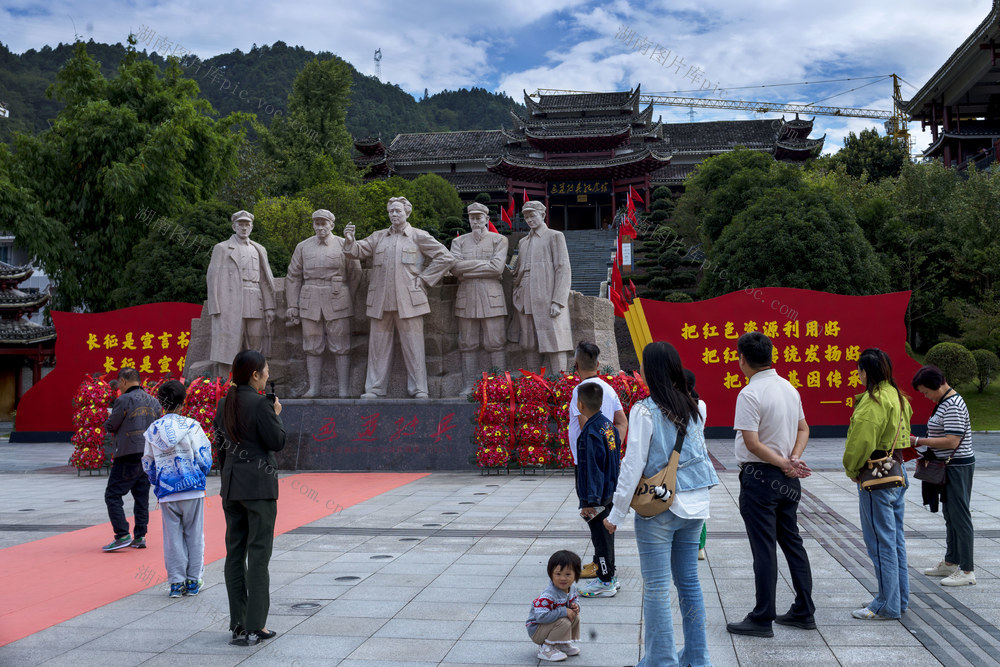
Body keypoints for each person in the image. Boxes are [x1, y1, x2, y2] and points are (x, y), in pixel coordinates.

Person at [604, 341, 718, 667]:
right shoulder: (699, 407)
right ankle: (698, 659)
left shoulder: (644, 411)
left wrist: (616, 514)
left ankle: (663, 662)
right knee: (690, 584)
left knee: (656, 588)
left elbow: (632, 466)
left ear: (649, 372)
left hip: (661, 507)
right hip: (696, 505)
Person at [727, 331, 815, 638]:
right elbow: (804, 428)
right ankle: (804, 610)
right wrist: (793, 458)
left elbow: (751, 443)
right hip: (787, 479)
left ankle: (762, 616)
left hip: (760, 478)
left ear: (743, 359)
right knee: (792, 541)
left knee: (763, 548)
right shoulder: (789, 388)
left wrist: (783, 461)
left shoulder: (749, 394)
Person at [343, 197, 454, 399]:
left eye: (398, 211)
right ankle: (375, 388)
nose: (394, 214)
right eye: (391, 211)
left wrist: (425, 279)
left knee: (414, 347)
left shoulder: (418, 236)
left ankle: (419, 388)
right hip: (380, 299)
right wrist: (350, 240)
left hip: (409, 299)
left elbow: (445, 257)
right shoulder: (378, 237)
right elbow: (356, 251)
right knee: (378, 347)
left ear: (407, 213)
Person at [214, 350, 286, 646]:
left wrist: (228, 476)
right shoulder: (261, 404)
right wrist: (277, 415)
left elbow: (220, 448)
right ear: (254, 374)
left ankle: (239, 624)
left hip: (232, 488)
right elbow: (277, 442)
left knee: (235, 554)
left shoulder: (223, 404)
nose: (267, 376)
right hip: (258, 489)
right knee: (258, 555)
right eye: (266, 372)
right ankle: (256, 624)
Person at [844, 348, 913, 620]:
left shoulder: (873, 402)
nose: (858, 375)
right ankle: (898, 598)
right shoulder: (899, 396)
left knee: (880, 543)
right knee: (895, 540)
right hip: (897, 471)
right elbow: (904, 439)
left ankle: (886, 604)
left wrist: (852, 469)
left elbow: (860, 442)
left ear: (866, 372)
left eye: (859, 370)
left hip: (876, 478)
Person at [142, 380, 213, 597]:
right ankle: (193, 581)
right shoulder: (192, 426)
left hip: (167, 492)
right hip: (192, 489)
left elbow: (148, 463)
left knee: (172, 538)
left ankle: (176, 583)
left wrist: (158, 482)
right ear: (183, 401)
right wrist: (200, 473)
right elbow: (204, 458)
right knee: (194, 535)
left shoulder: (153, 430)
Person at [285, 208, 362, 398]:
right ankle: (314, 388)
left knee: (341, 344)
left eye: (324, 223)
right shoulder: (302, 246)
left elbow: (355, 273)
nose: (320, 227)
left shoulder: (344, 244)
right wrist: (292, 305)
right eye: (317, 223)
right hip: (310, 299)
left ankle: (343, 390)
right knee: (311, 344)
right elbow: (293, 276)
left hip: (338, 298)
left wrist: (347, 295)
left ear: (332, 225)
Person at [910, 365, 976, 586]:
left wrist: (919, 441)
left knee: (960, 516)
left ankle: (967, 570)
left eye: (926, 392)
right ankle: (951, 561)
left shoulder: (953, 405)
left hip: (957, 466)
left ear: (937, 385)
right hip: (949, 466)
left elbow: (952, 441)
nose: (926, 397)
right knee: (950, 514)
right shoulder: (944, 402)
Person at [568, 341, 628, 580]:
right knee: (604, 515)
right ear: (598, 364)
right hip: (607, 464)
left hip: (588, 465)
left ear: (576, 364)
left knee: (594, 514)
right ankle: (602, 563)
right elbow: (622, 422)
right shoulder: (608, 389)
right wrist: (612, 449)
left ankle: (604, 569)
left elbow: (587, 428)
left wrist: (602, 451)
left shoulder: (581, 391)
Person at [206, 210, 277, 375]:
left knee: (255, 345)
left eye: (247, 224)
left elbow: (265, 281)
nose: (244, 228)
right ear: (234, 226)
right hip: (231, 302)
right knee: (230, 345)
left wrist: (269, 307)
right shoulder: (222, 248)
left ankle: (253, 383)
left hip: (255, 299)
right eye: (240, 224)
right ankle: (225, 385)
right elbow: (212, 277)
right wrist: (215, 307)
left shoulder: (259, 249)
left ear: (251, 227)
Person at [102, 367, 162, 552]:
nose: (118, 387)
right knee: (141, 495)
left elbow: (112, 425)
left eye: (119, 383)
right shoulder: (154, 401)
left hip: (127, 453)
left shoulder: (123, 400)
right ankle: (140, 536)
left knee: (112, 494)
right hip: (147, 454)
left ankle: (122, 534)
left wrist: (107, 420)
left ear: (124, 381)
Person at [451, 202, 508, 394]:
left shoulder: (499, 240)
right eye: (472, 217)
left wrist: (467, 268)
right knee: (467, 344)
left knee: (496, 342)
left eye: (479, 217)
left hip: (491, 297)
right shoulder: (458, 242)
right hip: (466, 297)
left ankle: (499, 386)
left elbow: (497, 268)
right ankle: (469, 386)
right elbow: (455, 268)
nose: (475, 221)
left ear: (486, 219)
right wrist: (483, 265)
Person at [511, 200, 572, 374]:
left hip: (546, 294)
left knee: (554, 341)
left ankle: (560, 384)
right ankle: (534, 384)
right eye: (527, 217)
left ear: (543, 215)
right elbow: (518, 269)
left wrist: (558, 301)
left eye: (533, 215)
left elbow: (563, 269)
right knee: (529, 342)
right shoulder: (523, 242)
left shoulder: (555, 236)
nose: (530, 220)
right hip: (525, 294)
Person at [575, 382, 621, 598]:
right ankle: (609, 575)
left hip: (598, 498)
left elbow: (591, 469)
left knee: (600, 540)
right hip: (609, 493)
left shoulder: (590, 433)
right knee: (607, 537)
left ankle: (605, 581)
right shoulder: (608, 426)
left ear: (580, 405)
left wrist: (590, 502)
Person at [525, 550, 582, 662]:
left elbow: (575, 599)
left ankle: (562, 643)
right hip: (537, 630)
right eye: (558, 574)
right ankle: (546, 648)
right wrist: (564, 611)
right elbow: (541, 617)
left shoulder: (572, 588)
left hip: (549, 625)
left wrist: (576, 606)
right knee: (564, 621)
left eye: (568, 574)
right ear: (550, 574)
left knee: (575, 616)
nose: (563, 578)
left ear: (576, 575)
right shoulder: (549, 595)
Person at [685, 369, 709, 561]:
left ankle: (691, 544)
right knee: (700, 503)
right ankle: (700, 545)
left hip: (684, 460)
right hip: (700, 457)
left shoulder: (679, 405)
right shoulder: (701, 404)